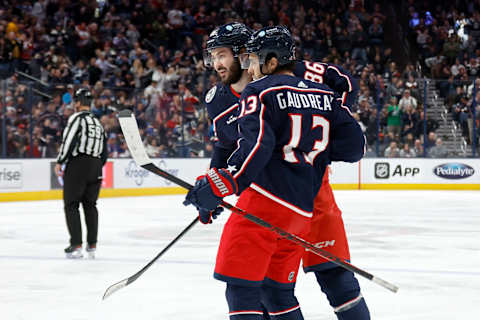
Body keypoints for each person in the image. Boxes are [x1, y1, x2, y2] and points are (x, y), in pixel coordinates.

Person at [184, 26, 365, 320]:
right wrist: (213, 190)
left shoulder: (295, 71)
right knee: (271, 287)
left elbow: (344, 82)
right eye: (212, 57)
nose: (216, 64)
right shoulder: (217, 99)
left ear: (247, 54)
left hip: (312, 192)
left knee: (334, 277)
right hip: (265, 190)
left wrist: (314, 145)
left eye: (222, 55)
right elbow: (224, 149)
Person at [55, 88, 108, 259]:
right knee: (90, 205)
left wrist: (60, 161)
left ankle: (76, 244)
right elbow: (105, 152)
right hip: (96, 165)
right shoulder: (98, 123)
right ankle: (92, 245)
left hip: (78, 164)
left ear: (78, 102)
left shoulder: (77, 118)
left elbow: (69, 140)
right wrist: (97, 165)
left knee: (71, 204)